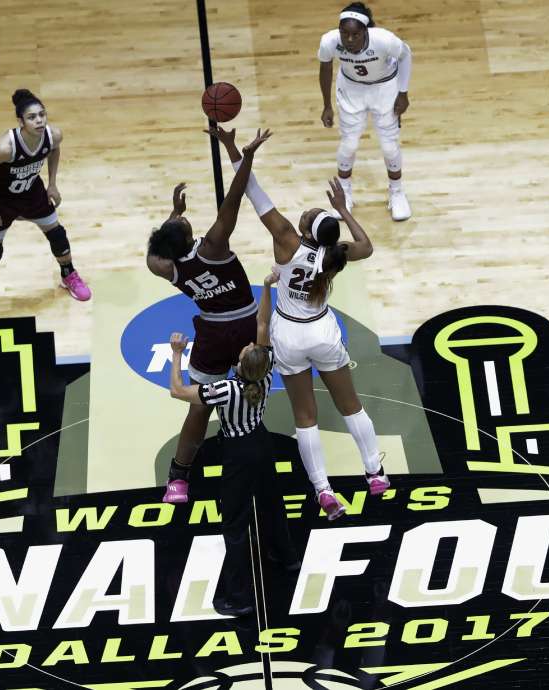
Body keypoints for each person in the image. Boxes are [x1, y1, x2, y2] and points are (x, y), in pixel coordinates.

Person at [216, 132, 387, 520]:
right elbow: (369, 246)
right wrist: (343, 209)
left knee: (305, 417)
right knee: (351, 406)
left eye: (308, 215)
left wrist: (235, 150)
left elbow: (253, 192)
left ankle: (324, 491)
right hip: (322, 331)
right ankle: (375, 474)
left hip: (290, 335)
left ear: (307, 230)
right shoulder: (336, 255)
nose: (304, 213)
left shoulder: (287, 241)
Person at [147, 127, 272, 504]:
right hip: (247, 327)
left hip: (213, 334)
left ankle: (178, 479)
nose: (185, 221)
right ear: (185, 237)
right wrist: (245, 156)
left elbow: (157, 251)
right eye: (182, 224)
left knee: (199, 407)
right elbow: (233, 201)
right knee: (252, 392)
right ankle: (249, 448)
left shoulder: (165, 268)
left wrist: (173, 215)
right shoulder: (213, 247)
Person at [167, 271, 297, 616]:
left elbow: (178, 391)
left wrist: (177, 353)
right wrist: (267, 288)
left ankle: (238, 599)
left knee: (235, 526)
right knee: (272, 505)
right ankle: (286, 559)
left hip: (238, 453)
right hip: (262, 442)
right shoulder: (267, 370)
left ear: (239, 366)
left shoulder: (227, 389)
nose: (245, 346)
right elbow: (263, 323)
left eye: (242, 352)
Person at [0, 89, 90, 338]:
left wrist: (52, 183)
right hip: (0, 200)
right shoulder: (4, 148)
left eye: (42, 115)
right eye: (32, 117)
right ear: (21, 122)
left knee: (57, 233)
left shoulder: (53, 135)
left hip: (30, 191)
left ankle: (68, 274)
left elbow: (54, 149)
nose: (39, 120)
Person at [318, 2, 413, 222]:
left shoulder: (384, 40)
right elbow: (325, 68)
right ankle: (344, 193)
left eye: (355, 34)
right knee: (349, 143)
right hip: (351, 89)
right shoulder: (329, 41)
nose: (349, 40)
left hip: (384, 87)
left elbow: (406, 55)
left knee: (389, 147)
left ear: (365, 31)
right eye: (345, 33)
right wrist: (326, 105)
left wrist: (403, 93)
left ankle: (396, 192)